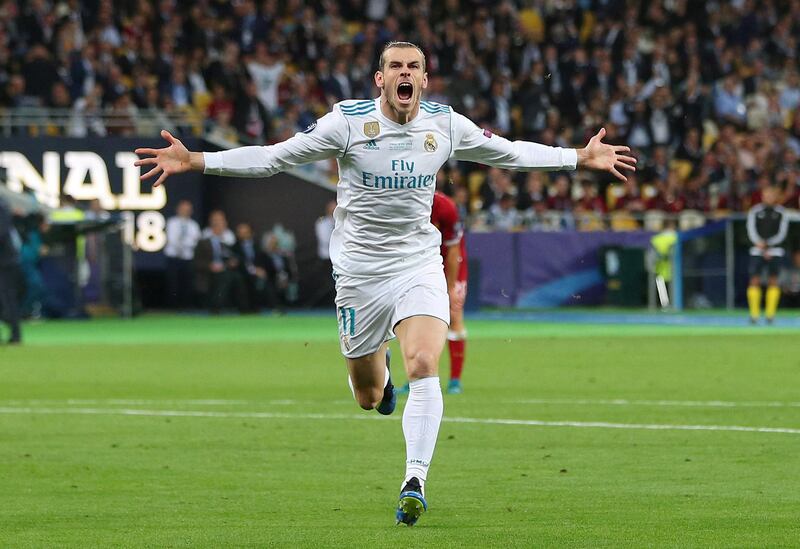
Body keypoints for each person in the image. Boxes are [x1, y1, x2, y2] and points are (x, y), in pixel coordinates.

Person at [134, 41, 636, 526]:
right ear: (380, 78)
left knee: (425, 361)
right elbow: (275, 157)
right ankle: (381, 371)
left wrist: (578, 157)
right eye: (394, 66)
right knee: (368, 395)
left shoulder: (444, 122)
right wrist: (197, 160)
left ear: (423, 78)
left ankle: (414, 481)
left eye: (412, 66)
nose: (403, 74)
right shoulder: (348, 123)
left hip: (418, 262)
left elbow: (507, 154)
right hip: (357, 274)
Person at [399, 190, 469, 395]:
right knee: (410, 319)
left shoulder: (445, 207)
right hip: (419, 265)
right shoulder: (403, 203)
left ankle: (455, 379)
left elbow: (454, 249)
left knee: (454, 314)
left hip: (451, 265)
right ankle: (417, 375)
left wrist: (449, 288)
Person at [746, 185, 789, 324]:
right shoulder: (755, 211)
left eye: (772, 195)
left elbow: (782, 233)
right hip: (756, 250)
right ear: (762, 196)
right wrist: (760, 244)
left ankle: (770, 315)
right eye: (767, 195)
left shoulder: (782, 213)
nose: (769, 198)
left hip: (775, 251)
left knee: (773, 280)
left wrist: (769, 245)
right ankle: (754, 315)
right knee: (754, 280)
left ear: (776, 197)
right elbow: (751, 230)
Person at [164, 200, 201, 309]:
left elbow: (196, 242)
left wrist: (185, 243)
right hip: (173, 258)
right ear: (178, 210)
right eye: (183, 209)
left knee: (187, 284)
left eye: (188, 210)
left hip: (187, 258)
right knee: (172, 284)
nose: (185, 212)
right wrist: (186, 243)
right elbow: (172, 240)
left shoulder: (194, 225)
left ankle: (186, 306)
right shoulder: (172, 222)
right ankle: (172, 307)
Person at [0, 197, 22, 344]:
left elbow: (1, 231)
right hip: (6, 259)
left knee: (7, 297)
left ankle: (15, 333)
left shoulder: (2, 206)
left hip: (5, 261)